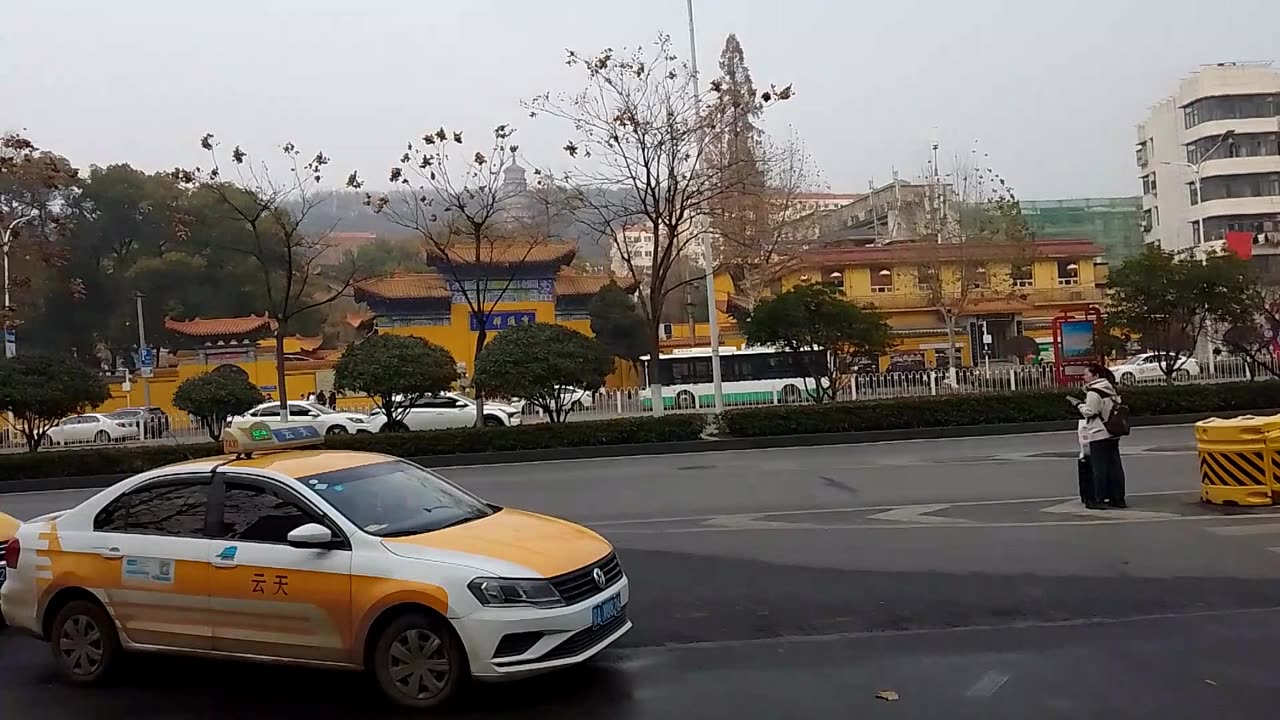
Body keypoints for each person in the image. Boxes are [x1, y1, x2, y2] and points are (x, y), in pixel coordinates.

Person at [1072, 363, 1127, 509]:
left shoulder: (1094, 391)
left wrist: (1079, 405)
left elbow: (1090, 411)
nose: (1084, 377)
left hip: (1099, 433)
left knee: (1099, 468)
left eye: (1086, 374)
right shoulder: (1111, 388)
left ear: (1095, 376)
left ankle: (1099, 499)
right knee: (1115, 467)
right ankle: (1118, 498)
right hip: (1113, 432)